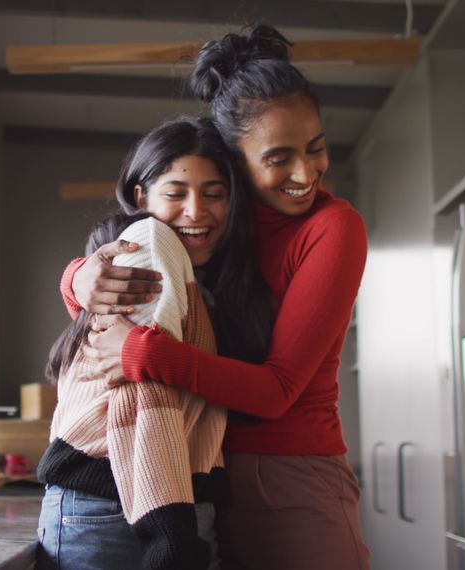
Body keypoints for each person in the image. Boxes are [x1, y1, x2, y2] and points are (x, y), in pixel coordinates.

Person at [61, 25, 371, 569]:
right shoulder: (220, 229)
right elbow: (139, 306)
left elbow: (275, 390)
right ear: (237, 162)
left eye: (316, 149)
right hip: (203, 473)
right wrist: (80, 277)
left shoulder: (332, 227)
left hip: (293, 476)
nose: (306, 173)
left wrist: (143, 353)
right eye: (278, 157)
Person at [36, 117, 273, 570]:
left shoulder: (202, 274)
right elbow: (144, 399)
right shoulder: (150, 240)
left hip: (150, 500)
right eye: (177, 192)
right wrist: (170, 531)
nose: (196, 210)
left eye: (214, 193)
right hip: (123, 506)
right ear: (142, 197)